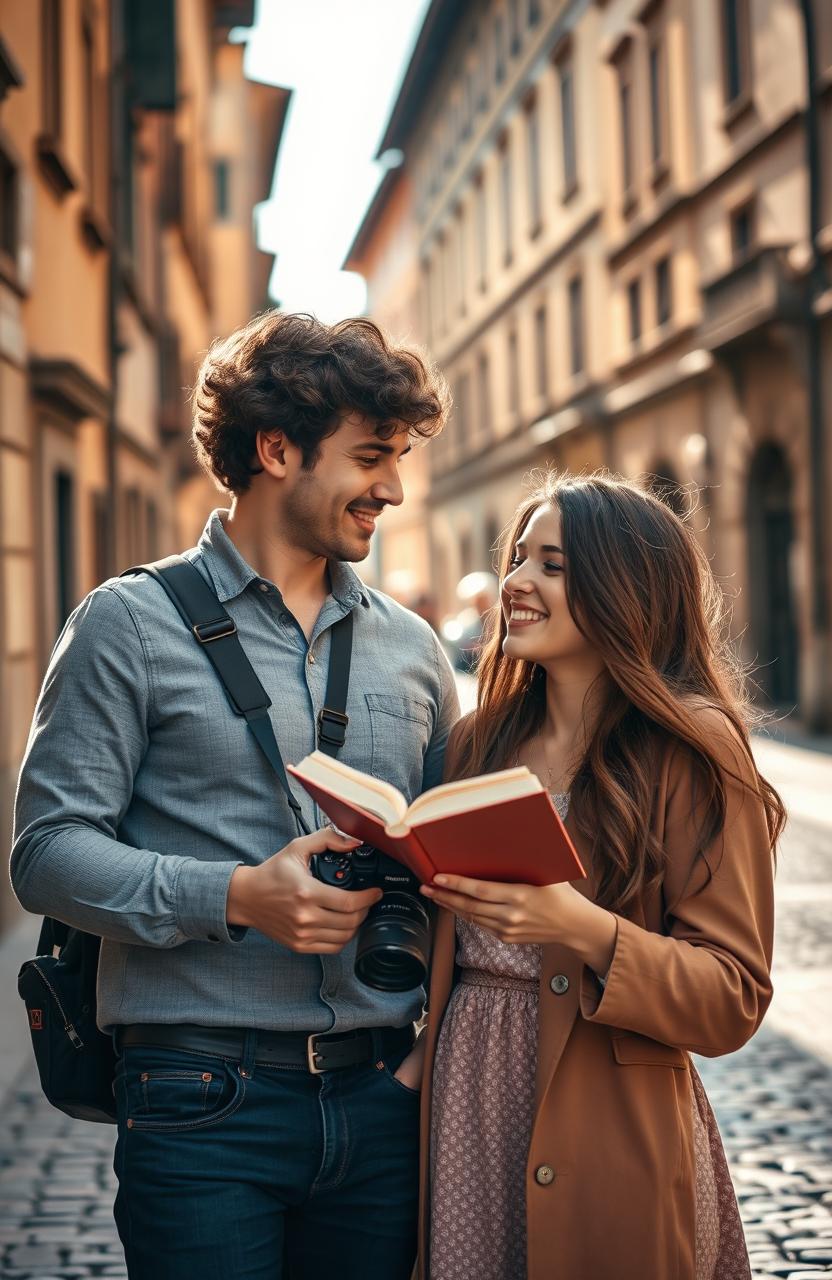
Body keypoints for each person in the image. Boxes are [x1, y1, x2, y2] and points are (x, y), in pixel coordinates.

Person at [11, 312, 459, 1280]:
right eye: (371, 455)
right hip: (198, 1099)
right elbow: (46, 851)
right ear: (275, 448)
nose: (392, 486)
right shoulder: (124, 624)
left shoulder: (415, 648)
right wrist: (236, 896)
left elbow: (447, 862)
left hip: (384, 1096)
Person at [415, 471, 784, 1280]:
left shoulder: (694, 751)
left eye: (551, 564)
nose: (515, 582)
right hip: (462, 1105)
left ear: (624, 587)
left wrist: (575, 926)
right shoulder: (477, 742)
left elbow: (732, 996)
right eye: (517, 560)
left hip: (610, 1117)